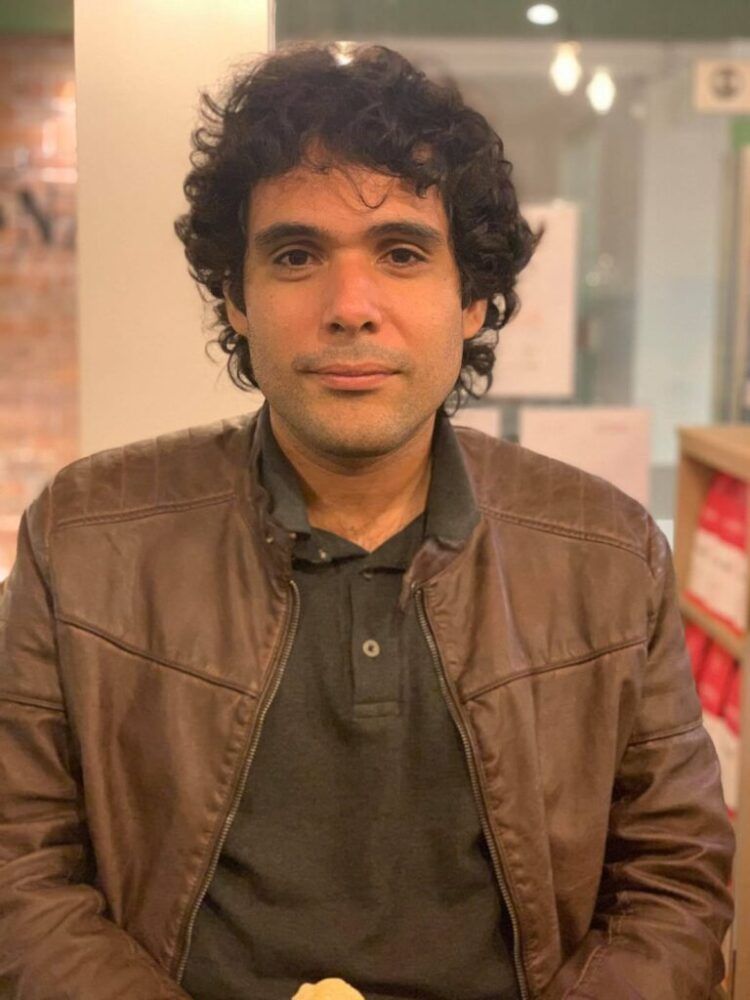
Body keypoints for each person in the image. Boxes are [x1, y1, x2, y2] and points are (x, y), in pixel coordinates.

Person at [0, 40, 734, 1000]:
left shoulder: (609, 552)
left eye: (401, 253)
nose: (351, 308)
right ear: (238, 298)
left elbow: (674, 884)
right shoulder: (83, 538)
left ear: (473, 299)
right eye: (296, 255)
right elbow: (21, 870)